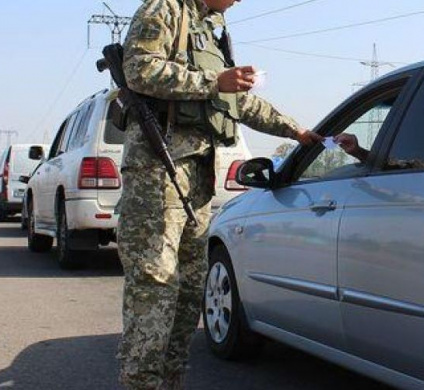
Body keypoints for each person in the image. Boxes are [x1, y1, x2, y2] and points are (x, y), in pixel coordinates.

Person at [116, 1, 322, 388]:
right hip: (157, 173)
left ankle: (170, 381)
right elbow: (139, 70)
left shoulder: (210, 30)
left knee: (190, 289)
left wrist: (295, 131)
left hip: (196, 176)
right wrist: (213, 82)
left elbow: (237, 101)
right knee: (155, 287)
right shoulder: (165, 9)